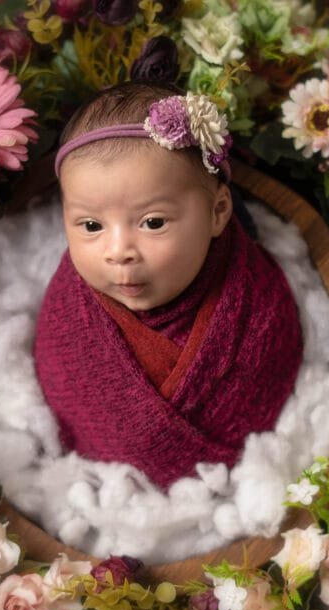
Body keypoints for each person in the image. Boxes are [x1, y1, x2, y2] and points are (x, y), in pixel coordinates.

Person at [33, 82, 303, 489]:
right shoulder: (68, 315)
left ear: (218, 212)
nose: (118, 251)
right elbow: (59, 383)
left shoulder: (255, 307)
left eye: (153, 222)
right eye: (91, 226)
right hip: (110, 497)